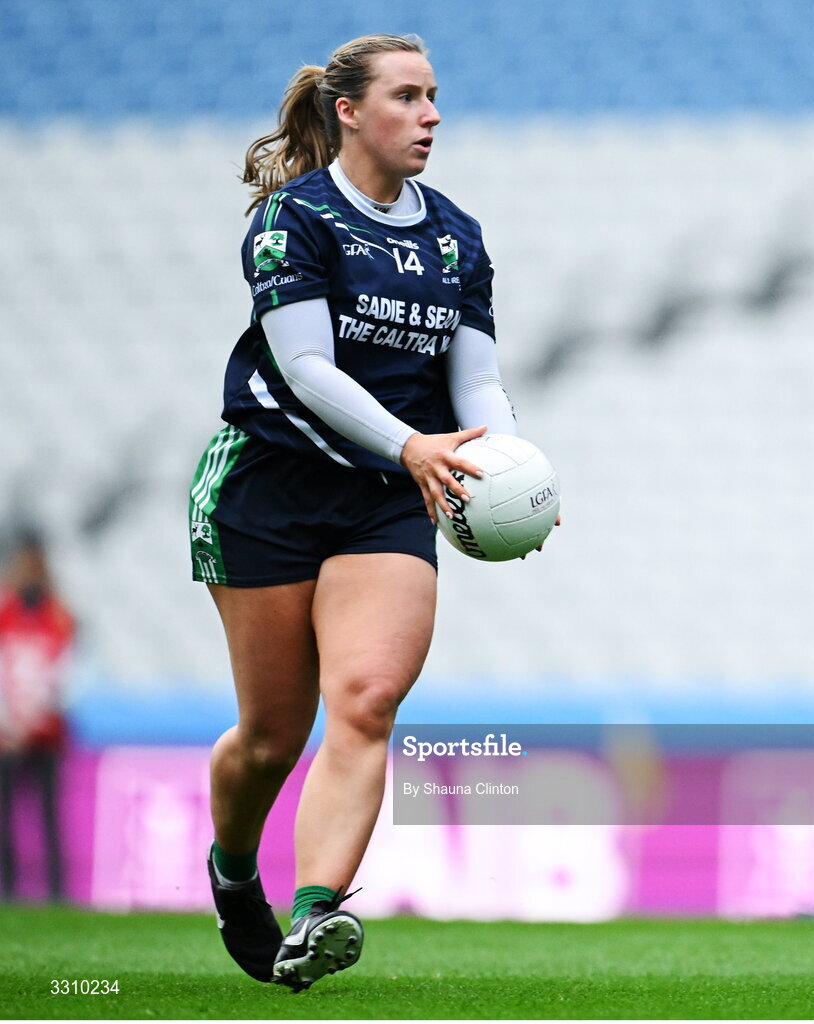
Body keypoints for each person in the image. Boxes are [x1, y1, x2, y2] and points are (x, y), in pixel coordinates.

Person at [190, 32, 553, 992]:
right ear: (349, 111)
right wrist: (410, 441)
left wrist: (512, 469)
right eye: (408, 97)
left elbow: (475, 379)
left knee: (365, 702)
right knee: (271, 734)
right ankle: (234, 872)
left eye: (435, 97)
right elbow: (305, 368)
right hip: (267, 485)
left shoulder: (458, 236)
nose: (430, 115)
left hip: (388, 498)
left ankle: (315, 913)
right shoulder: (292, 219)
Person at [0, 530, 75, 903]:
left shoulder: (59, 616)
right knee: (5, 816)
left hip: (45, 733)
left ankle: (57, 892)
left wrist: (29, 722)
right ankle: (10, 890)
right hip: (9, 733)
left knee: (49, 814)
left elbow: (62, 676)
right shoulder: (5, 613)